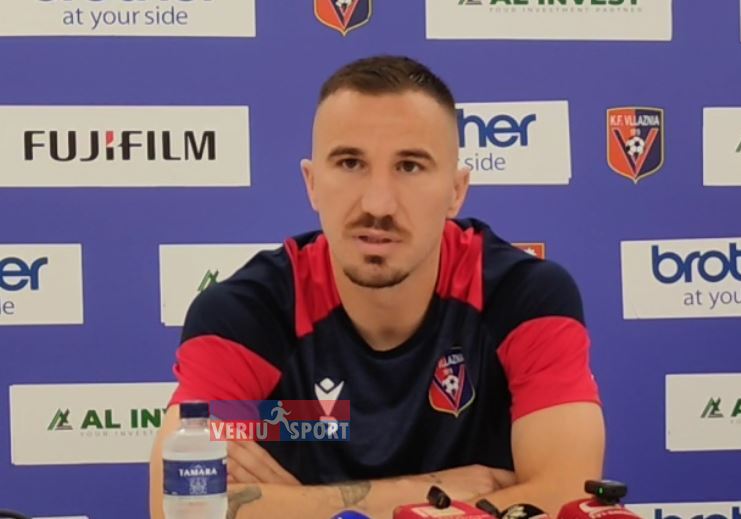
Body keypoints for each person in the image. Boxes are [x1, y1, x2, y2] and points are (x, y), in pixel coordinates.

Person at [148, 55, 605, 519]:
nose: (378, 204)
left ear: (456, 190)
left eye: (410, 166)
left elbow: (566, 497)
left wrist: (296, 504)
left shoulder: (525, 297)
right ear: (311, 183)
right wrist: (435, 493)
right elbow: (182, 507)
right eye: (350, 163)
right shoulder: (244, 315)